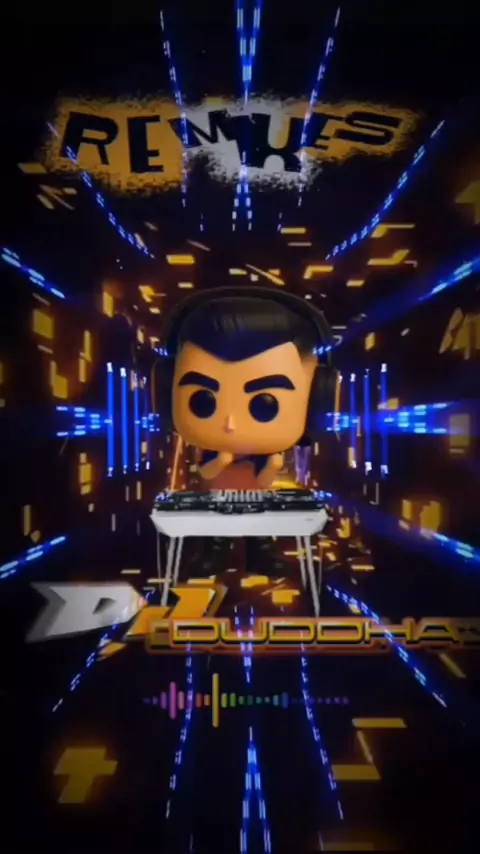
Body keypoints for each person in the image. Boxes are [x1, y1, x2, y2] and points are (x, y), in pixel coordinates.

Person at [155, 286, 337, 576]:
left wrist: (271, 465)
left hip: (256, 503)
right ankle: (214, 555)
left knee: (260, 532)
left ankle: (261, 556)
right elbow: (207, 472)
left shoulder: (266, 457)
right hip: (219, 502)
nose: (230, 424)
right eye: (203, 401)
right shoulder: (211, 452)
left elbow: (264, 479)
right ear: (167, 393)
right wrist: (220, 461)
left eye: (265, 405)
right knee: (217, 533)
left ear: (316, 396)